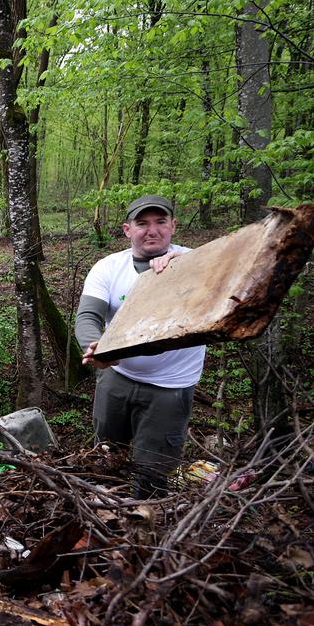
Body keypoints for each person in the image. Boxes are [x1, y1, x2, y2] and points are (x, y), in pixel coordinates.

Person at [75, 194, 206, 498]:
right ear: (127, 230)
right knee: (106, 458)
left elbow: (234, 276)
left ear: (173, 225)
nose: (152, 230)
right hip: (116, 379)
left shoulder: (196, 261)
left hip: (169, 388)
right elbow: (88, 317)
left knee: (152, 472)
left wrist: (186, 265)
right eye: (142, 223)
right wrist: (96, 349)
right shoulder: (108, 268)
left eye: (160, 222)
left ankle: (144, 528)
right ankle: (105, 517)